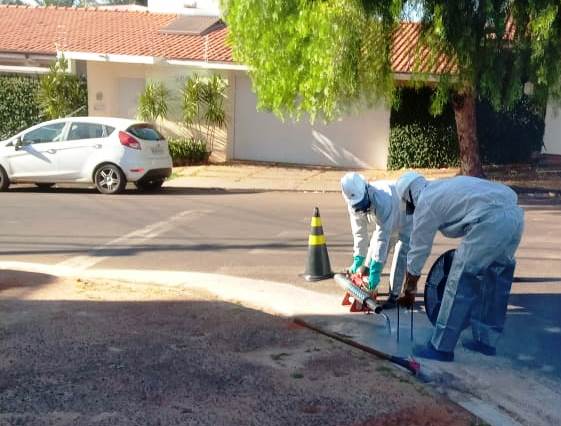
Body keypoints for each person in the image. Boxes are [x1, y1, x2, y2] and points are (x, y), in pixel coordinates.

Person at [395, 172, 524, 362]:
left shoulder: (425, 201)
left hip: (490, 220)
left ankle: (441, 347)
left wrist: (409, 289)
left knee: (460, 279)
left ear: (409, 197)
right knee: (496, 278)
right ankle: (486, 341)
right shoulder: (442, 188)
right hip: (515, 215)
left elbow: (418, 249)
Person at [340, 172, 412, 309]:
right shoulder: (353, 204)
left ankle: (394, 295)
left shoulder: (383, 199)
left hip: (407, 218)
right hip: (387, 223)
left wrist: (376, 270)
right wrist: (358, 260)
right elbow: (359, 233)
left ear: (367, 190)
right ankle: (366, 277)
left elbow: (383, 238)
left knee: (400, 253)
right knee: (373, 246)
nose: (361, 208)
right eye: (357, 205)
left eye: (362, 203)